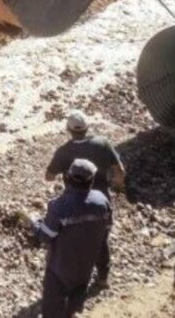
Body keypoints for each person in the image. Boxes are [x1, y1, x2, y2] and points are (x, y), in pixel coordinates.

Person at [45, 110, 125, 288]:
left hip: (74, 203)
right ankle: (103, 278)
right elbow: (120, 170)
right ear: (87, 128)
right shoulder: (103, 143)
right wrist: (117, 187)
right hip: (101, 201)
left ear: (68, 129)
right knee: (101, 240)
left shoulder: (64, 151)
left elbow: (49, 176)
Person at [33, 159, 112, 318]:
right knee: (75, 301)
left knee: (52, 309)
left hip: (59, 269)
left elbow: (45, 237)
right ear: (92, 181)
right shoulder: (102, 201)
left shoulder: (58, 206)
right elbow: (106, 230)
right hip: (85, 267)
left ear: (67, 179)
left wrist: (35, 224)